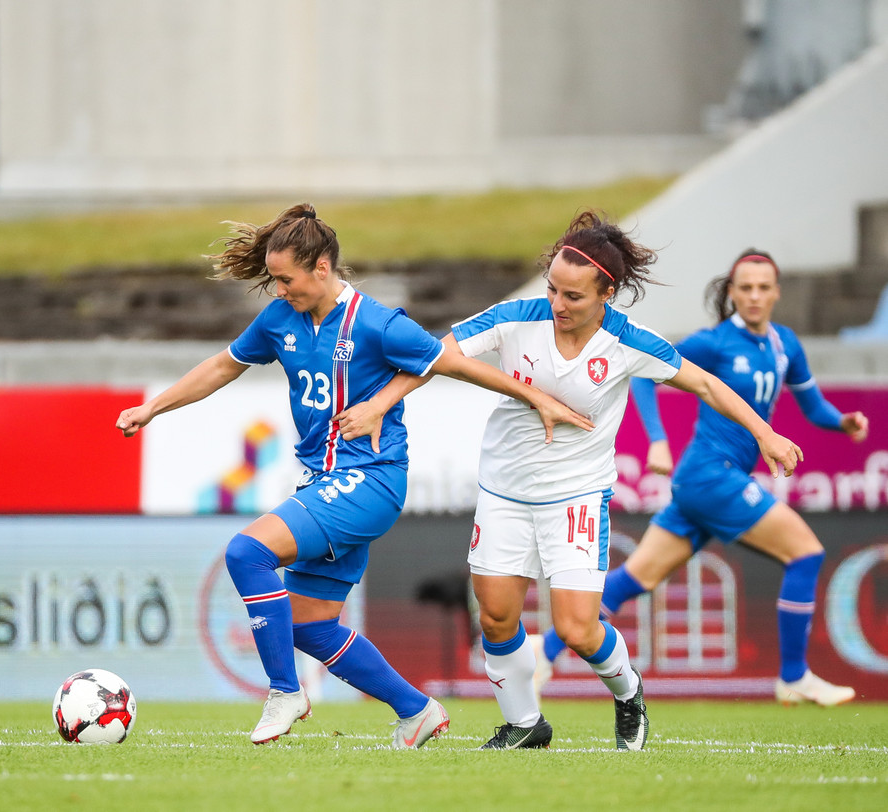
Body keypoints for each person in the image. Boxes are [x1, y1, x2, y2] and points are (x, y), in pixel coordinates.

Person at [115, 203, 594, 748]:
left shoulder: (377, 323)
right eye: (274, 280)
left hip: (371, 480)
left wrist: (535, 397)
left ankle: (285, 691)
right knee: (309, 626)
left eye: (286, 280)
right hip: (322, 483)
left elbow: (451, 362)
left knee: (247, 553)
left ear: (322, 268)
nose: (279, 291)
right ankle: (416, 710)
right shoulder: (279, 320)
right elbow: (224, 365)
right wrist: (153, 407)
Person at [337, 214, 803, 751]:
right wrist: (378, 404)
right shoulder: (516, 317)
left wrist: (765, 433)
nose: (558, 304)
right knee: (496, 617)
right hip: (504, 490)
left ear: (607, 293)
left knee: (578, 629)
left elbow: (707, 385)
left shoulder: (628, 341)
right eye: (553, 289)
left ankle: (628, 692)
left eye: (574, 296)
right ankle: (524, 723)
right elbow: (437, 356)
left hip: (576, 495)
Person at [530, 249, 869, 707]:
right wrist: (657, 439)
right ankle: (794, 676)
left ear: (776, 292)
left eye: (763, 287)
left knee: (635, 577)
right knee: (806, 553)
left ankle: (543, 652)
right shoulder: (714, 342)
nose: (754, 295)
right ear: (732, 293)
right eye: (745, 287)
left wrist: (842, 422)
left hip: (702, 485)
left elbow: (812, 405)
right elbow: (645, 374)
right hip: (712, 476)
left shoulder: (785, 344)